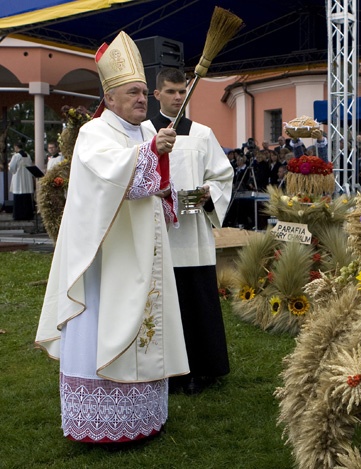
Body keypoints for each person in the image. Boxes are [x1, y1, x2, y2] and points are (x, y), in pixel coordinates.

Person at [35, 31, 188, 443]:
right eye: (134, 93)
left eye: (144, 92)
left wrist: (162, 168)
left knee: (145, 326)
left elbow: (154, 184)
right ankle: (99, 420)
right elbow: (109, 175)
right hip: (105, 260)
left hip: (143, 256)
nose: (143, 99)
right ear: (112, 98)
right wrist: (152, 152)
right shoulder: (95, 133)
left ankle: (142, 417)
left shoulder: (143, 132)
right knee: (102, 322)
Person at [143, 67, 234, 394]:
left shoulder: (202, 134)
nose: (178, 96)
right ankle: (164, 372)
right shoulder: (142, 134)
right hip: (157, 234)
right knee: (163, 304)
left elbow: (223, 175)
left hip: (193, 234)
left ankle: (203, 369)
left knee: (197, 302)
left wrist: (210, 192)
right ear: (157, 95)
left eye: (182, 91)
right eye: (170, 91)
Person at [8, 141, 34, 220]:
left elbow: (12, 167)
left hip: (19, 178)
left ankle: (18, 216)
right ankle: (28, 215)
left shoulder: (16, 156)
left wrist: (11, 169)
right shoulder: (28, 155)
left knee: (19, 196)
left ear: (16, 147)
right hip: (27, 179)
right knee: (26, 198)